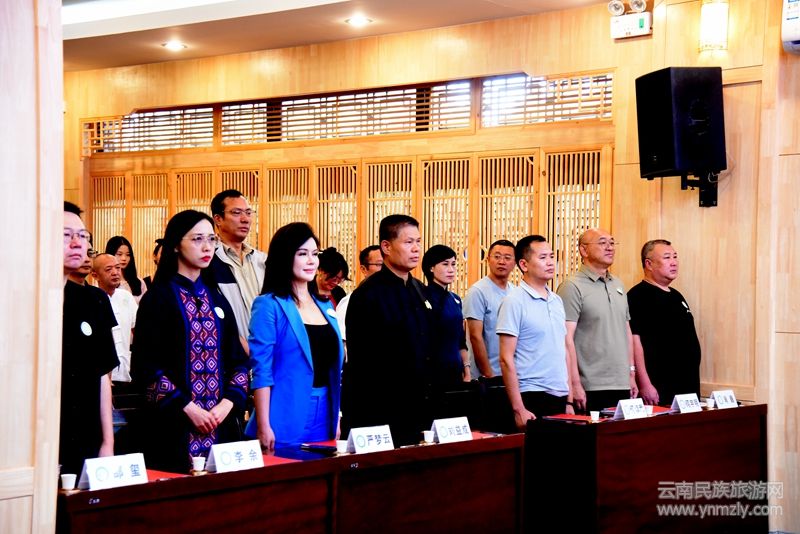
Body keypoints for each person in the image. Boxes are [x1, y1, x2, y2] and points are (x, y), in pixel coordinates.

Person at [131, 210, 249, 472]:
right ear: (175, 245)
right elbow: (144, 367)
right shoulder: (158, 298)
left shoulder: (217, 300)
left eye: (211, 239)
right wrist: (187, 408)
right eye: (197, 239)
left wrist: (226, 404)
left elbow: (240, 363)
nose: (207, 247)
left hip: (221, 427)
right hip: (172, 428)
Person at [245, 222, 344, 450]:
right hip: (283, 412)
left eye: (314, 254)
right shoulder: (269, 304)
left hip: (326, 411)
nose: (311, 261)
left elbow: (334, 368)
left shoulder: (325, 305)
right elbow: (261, 369)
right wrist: (263, 424)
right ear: (285, 257)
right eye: (302, 254)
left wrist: (336, 416)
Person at [343, 215, 433, 445]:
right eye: (408, 242)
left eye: (418, 241)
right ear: (386, 246)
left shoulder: (419, 289)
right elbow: (362, 361)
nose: (416, 249)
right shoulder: (367, 294)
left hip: (419, 404)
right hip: (382, 408)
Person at [61, 202, 118, 474]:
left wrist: (108, 442)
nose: (77, 243)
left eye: (82, 236)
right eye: (65, 235)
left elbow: (102, 374)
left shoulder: (94, 300)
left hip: (87, 433)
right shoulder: (27, 299)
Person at [557, 228, 638, 413]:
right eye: (602, 243)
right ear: (583, 250)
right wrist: (574, 384)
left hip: (621, 382)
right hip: (590, 386)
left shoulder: (618, 284)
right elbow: (565, 339)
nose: (610, 247)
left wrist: (631, 373)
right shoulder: (571, 286)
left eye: (612, 243)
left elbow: (626, 331)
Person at [496, 235, 572, 431]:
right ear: (524, 264)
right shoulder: (514, 301)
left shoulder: (556, 300)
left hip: (560, 393)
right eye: (543, 257)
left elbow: (563, 349)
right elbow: (505, 358)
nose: (550, 262)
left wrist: (569, 399)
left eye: (552, 256)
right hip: (531, 394)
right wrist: (518, 408)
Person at [627, 239, 701, 406]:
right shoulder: (637, 297)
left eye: (675, 257)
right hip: (659, 388)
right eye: (667, 257)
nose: (674, 262)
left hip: (687, 386)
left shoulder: (676, 295)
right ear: (649, 264)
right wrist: (644, 384)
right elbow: (634, 342)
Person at [209, 190, 267, 351]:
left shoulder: (262, 261)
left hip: (267, 353)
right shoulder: (209, 263)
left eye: (248, 213)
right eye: (236, 213)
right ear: (218, 219)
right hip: (230, 354)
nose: (245, 219)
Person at [464, 239, 516, 379]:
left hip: (511, 373)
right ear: (488, 260)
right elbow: (475, 336)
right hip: (487, 376)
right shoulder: (478, 291)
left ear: (515, 263)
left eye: (507, 258)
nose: (501, 262)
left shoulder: (515, 292)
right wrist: (488, 374)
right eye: (497, 256)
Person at [422, 245, 470, 387]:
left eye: (453, 264)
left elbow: (460, 340)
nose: (451, 269)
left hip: (456, 368)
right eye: (445, 264)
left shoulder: (455, 299)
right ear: (431, 268)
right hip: (432, 371)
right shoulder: (422, 297)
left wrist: (467, 370)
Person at [92, 253, 137, 387]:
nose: (115, 272)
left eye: (117, 268)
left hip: (125, 372)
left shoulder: (126, 297)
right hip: (99, 376)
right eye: (108, 269)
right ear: (95, 275)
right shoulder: (90, 298)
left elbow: (138, 331)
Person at [335, 245, 382, 342]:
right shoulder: (350, 302)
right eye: (379, 264)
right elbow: (343, 342)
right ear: (364, 269)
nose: (385, 269)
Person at [105, 235, 147, 303]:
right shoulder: (104, 282)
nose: (124, 258)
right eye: (119, 254)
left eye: (128, 255)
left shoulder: (139, 282)